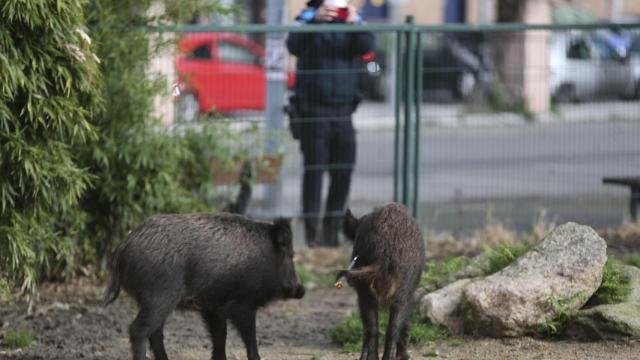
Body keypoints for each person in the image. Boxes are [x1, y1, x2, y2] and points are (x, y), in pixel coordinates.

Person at [286, 0, 374, 247]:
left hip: (344, 111)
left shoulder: (353, 19)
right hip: (314, 111)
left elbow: (368, 48)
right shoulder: (306, 16)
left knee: (343, 172)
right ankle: (312, 235)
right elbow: (293, 45)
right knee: (314, 173)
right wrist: (316, 21)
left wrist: (355, 23)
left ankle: (331, 231)